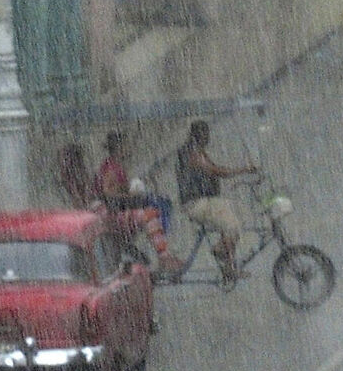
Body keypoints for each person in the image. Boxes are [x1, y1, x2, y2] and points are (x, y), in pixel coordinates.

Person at [176, 120, 257, 288]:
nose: (208, 138)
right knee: (231, 225)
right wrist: (243, 170)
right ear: (198, 136)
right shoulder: (192, 152)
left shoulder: (196, 151)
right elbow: (216, 171)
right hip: (196, 203)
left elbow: (215, 169)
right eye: (205, 134)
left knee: (229, 215)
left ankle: (228, 262)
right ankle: (222, 253)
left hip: (204, 201)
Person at [98, 131, 181, 277]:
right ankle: (163, 256)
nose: (128, 149)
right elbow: (107, 193)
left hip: (115, 211)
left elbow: (117, 188)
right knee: (149, 215)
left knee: (156, 206)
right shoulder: (111, 168)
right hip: (111, 214)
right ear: (119, 147)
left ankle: (159, 252)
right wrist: (129, 196)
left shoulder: (115, 166)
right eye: (125, 146)